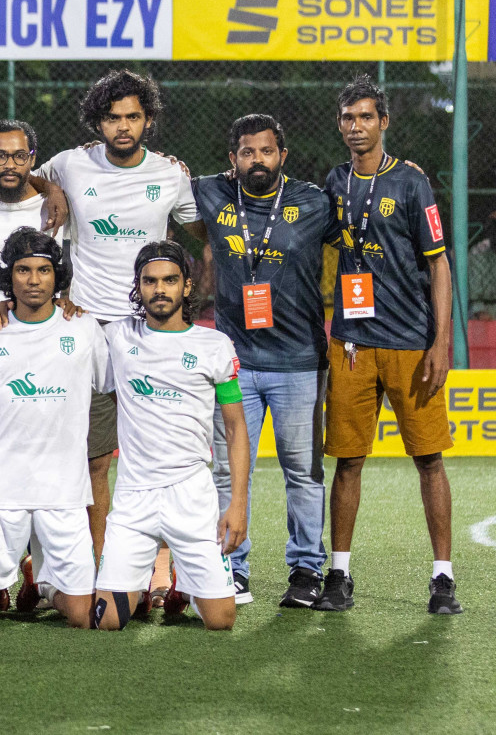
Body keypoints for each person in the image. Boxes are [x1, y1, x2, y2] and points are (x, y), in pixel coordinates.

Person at [39, 70, 202, 563]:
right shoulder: (69, 164)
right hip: (88, 329)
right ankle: (101, 563)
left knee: (160, 458)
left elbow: (203, 228)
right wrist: (50, 190)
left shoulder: (171, 174)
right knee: (92, 463)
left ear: (148, 120)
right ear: (97, 121)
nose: (123, 127)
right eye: (112, 118)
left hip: (149, 331)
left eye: (133, 116)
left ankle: (161, 572)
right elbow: (18, 175)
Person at [319, 76, 459, 615]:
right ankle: (339, 573)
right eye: (348, 118)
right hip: (352, 342)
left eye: (366, 117)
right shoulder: (334, 182)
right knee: (347, 462)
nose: (357, 127)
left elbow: (439, 262)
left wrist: (440, 342)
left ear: (384, 122)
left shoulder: (411, 183)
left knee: (429, 459)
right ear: (340, 124)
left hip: (409, 343)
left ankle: (442, 577)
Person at [194, 113, 338, 609]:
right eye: (248, 152)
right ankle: (232, 568)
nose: (258, 159)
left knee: (303, 472)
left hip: (299, 361)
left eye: (267, 151)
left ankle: (305, 571)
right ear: (232, 158)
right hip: (233, 363)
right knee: (229, 473)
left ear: (283, 155)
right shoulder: (209, 193)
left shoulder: (314, 202)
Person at [0, 227, 106, 629]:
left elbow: (119, 391)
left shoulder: (83, 329)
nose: (34, 280)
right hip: (1, 491)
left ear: (57, 276)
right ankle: (35, 576)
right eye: (23, 270)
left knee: (85, 618)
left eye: (44, 270)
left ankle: (45, 584)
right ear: (8, 277)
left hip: (63, 492)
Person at [92, 241, 248, 632]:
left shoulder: (215, 345)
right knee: (107, 621)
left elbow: (235, 427)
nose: (159, 289)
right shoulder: (115, 337)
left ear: (187, 286)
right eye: (150, 281)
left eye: (169, 280)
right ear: (138, 286)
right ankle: (141, 587)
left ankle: (181, 584)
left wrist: (238, 503)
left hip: (192, 497)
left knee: (221, 621)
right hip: (134, 499)